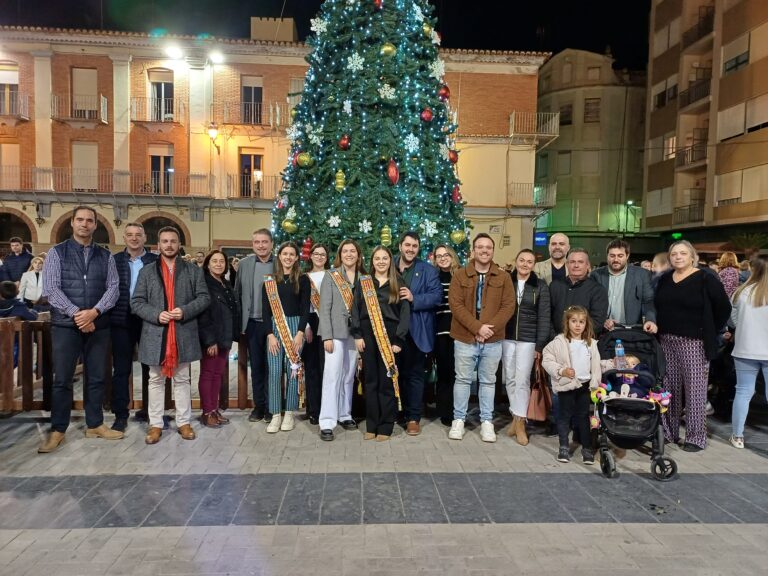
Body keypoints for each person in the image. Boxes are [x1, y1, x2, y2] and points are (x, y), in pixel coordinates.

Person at [38, 206, 122, 453]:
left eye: (90, 221)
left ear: (96, 225)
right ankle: (58, 429)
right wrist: (78, 314)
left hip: (98, 324)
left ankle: (94, 424)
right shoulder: (56, 253)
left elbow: (113, 288)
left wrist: (94, 312)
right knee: (62, 379)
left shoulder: (105, 256)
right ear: (72, 223)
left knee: (96, 377)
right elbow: (51, 290)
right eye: (80, 220)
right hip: (66, 326)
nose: (85, 224)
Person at [131, 226, 210, 445]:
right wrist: (157, 315)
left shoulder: (193, 270)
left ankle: (183, 422)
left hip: (183, 332)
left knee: (182, 380)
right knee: (155, 380)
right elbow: (136, 302)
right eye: (164, 241)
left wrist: (185, 311)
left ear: (179, 244)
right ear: (158, 245)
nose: (169, 245)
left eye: (173, 241)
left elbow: (204, 298)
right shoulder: (147, 271)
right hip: (156, 334)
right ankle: (155, 424)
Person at [654, 240, 731, 452]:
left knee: (695, 391)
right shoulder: (664, 279)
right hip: (667, 340)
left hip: (694, 343)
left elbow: (723, 306)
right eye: (674, 254)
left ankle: (695, 437)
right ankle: (669, 432)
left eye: (683, 253)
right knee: (670, 390)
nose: (678, 257)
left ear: (692, 256)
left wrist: (710, 328)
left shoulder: (706, 278)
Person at [448, 233, 515, 443]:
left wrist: (488, 330)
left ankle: (487, 422)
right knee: (462, 380)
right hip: (465, 337)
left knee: (488, 381)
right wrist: (477, 327)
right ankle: (458, 419)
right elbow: (456, 305)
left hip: (493, 339)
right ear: (473, 250)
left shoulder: (503, 277)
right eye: (480, 247)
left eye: (488, 247)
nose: (484, 250)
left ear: (492, 251)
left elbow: (508, 306)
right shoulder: (460, 275)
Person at [351, 246, 410, 441]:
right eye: (377, 258)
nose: (381, 261)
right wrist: (357, 335)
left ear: (390, 261)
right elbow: (355, 310)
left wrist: (399, 340)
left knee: (387, 383)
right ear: (372, 260)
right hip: (368, 336)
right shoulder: (364, 282)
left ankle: (385, 426)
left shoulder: (398, 282)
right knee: (371, 381)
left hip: (390, 337)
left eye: (385, 258)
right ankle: (372, 424)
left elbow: (404, 314)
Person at [110, 222, 158, 431]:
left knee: (151, 369)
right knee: (121, 369)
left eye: (138, 235)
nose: (134, 238)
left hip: (147, 320)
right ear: (124, 238)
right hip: (121, 320)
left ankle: (150, 411)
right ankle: (120, 414)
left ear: (145, 238)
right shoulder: (114, 261)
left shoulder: (154, 261)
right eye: (130, 235)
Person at [395, 231, 442, 436]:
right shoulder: (388, 264)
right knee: (395, 376)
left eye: (414, 246)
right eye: (407, 245)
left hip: (416, 331)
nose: (410, 249)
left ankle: (413, 418)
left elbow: (436, 296)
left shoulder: (428, 270)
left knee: (414, 376)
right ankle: (398, 413)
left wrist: (415, 298)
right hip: (392, 331)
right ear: (400, 246)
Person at [542, 305, 601, 464]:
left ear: (586, 324)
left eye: (581, 322)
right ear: (567, 323)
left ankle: (586, 448)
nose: (577, 325)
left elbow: (597, 364)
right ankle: (563, 447)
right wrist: (561, 371)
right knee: (564, 416)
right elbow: (547, 359)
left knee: (583, 417)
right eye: (574, 321)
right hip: (567, 385)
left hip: (584, 386)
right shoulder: (560, 342)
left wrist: (614, 363)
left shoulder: (591, 344)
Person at [503, 248, 550, 445]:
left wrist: (539, 344)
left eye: (529, 261)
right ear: (516, 261)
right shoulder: (507, 282)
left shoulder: (540, 286)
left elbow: (544, 316)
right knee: (509, 379)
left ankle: (521, 422)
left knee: (522, 380)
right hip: (506, 337)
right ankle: (515, 417)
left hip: (528, 340)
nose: (525, 264)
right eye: (521, 260)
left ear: (534, 265)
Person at [262, 241, 310, 433]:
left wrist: (300, 333)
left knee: (292, 371)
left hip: (295, 327)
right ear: (279, 256)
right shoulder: (269, 281)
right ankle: (275, 414)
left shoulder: (303, 280)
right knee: (274, 372)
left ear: (297, 258)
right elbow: (265, 312)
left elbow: (305, 308)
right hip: (275, 329)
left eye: (292, 254)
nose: (288, 257)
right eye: (285, 254)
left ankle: (289, 412)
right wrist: (269, 335)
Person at [318, 239, 364, 441]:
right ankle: (327, 421)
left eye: (352, 251)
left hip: (355, 334)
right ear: (340, 254)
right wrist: (326, 335)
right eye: (345, 251)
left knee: (348, 376)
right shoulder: (332, 275)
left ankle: (345, 414)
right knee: (332, 376)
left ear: (358, 254)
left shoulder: (364, 278)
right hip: (335, 334)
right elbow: (324, 307)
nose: (349, 254)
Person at [235, 229, 275, 423]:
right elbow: (238, 294)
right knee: (257, 367)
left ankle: (271, 407)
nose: (261, 245)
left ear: (271, 244)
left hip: (274, 326)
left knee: (272, 368)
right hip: (252, 324)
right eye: (257, 242)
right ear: (252, 244)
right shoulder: (244, 265)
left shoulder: (280, 264)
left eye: (265, 242)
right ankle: (259, 407)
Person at [729, 255, 768, 450]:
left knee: (743, 393)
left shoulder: (741, 292)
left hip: (744, 349)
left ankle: (737, 436)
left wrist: (743, 329)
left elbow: (733, 320)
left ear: (753, 269)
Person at [197, 250, 239, 428]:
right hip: (212, 337)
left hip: (225, 335)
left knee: (217, 374)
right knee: (208, 374)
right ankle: (206, 412)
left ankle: (214, 409)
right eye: (214, 261)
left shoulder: (225, 283)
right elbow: (203, 314)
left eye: (221, 261)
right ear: (207, 264)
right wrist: (210, 340)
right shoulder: (205, 284)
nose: (218, 264)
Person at [590, 239, 657, 333]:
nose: (616, 259)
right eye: (612, 256)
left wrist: (650, 320)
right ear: (607, 256)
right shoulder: (596, 275)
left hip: (632, 331)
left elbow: (648, 301)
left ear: (627, 256)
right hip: (603, 331)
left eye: (620, 256)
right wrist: (603, 320)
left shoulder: (642, 275)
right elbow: (592, 303)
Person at [549, 248, 608, 336]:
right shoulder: (554, 286)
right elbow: (546, 317)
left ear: (588, 265)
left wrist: (575, 339)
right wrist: (556, 339)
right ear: (567, 264)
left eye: (580, 262)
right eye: (572, 262)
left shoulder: (598, 290)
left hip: (583, 344)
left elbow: (597, 323)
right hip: (555, 342)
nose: (576, 265)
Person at [433, 244, 459, 427]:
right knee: (444, 373)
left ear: (452, 256)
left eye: (446, 255)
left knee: (459, 375)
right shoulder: (433, 277)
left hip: (459, 331)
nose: (443, 258)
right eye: (439, 256)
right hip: (440, 332)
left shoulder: (460, 275)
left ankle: (459, 410)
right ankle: (445, 411)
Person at [303, 243, 329, 427]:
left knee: (326, 368)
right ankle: (314, 409)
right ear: (311, 256)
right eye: (316, 254)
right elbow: (301, 304)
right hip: (310, 322)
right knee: (312, 368)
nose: (319, 257)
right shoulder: (304, 278)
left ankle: (327, 409)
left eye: (323, 254)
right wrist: (305, 326)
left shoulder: (333, 275)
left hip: (327, 322)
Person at [0, 281, 38, 367]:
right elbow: (32, 317)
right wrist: (33, 312)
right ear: (17, 292)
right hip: (13, 344)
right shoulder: (19, 307)